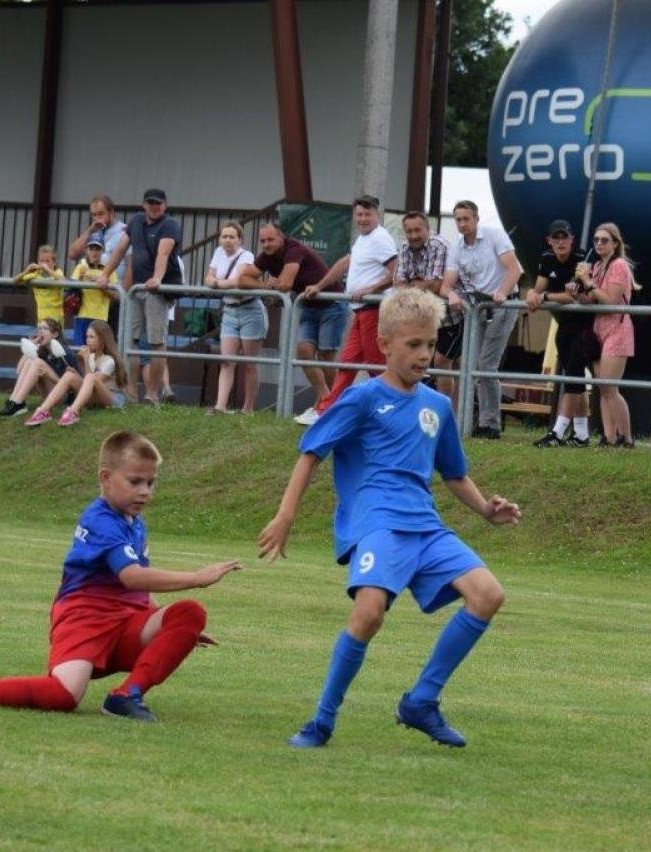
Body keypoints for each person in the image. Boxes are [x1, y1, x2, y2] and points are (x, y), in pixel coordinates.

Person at [258, 289, 521, 748]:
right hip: (378, 525)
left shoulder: (437, 406)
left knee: (487, 594)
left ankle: (421, 701)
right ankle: (321, 721)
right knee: (368, 614)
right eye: (413, 344)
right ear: (385, 344)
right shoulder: (362, 398)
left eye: (430, 344)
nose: (424, 354)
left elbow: (454, 474)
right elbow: (310, 452)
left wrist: (485, 509)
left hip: (426, 526)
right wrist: (285, 516)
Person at [0, 432, 238, 722]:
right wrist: (198, 576)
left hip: (126, 622)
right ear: (105, 477)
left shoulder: (134, 520)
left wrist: (178, 628)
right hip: (85, 617)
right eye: (135, 481)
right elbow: (132, 577)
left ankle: (125, 697)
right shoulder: (100, 520)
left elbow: (140, 589)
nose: (145, 492)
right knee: (62, 696)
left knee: (189, 613)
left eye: (150, 483)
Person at [297, 195, 398, 425]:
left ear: (377, 215)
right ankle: (327, 411)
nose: (362, 219)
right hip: (361, 310)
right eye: (359, 214)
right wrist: (320, 286)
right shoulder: (364, 239)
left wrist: (372, 288)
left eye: (367, 214)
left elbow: (397, 271)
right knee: (348, 363)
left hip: (374, 308)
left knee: (376, 365)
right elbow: (344, 263)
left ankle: (392, 409)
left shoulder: (380, 239)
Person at [442, 200, 523, 439]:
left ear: (477, 219)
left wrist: (502, 292)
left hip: (502, 304)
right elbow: (446, 285)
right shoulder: (456, 247)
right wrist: (452, 294)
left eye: (466, 219)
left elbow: (514, 269)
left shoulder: (494, 235)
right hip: (478, 307)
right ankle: (475, 422)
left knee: (486, 365)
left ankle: (490, 424)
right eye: (458, 219)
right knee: (473, 365)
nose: (462, 224)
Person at [240, 223, 340, 413]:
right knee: (303, 353)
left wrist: (277, 284)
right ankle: (326, 401)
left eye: (270, 240)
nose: (266, 244)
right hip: (308, 306)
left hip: (332, 304)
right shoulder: (266, 257)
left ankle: (332, 403)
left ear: (281, 238)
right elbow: (242, 279)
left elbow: (286, 284)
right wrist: (266, 286)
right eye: (262, 241)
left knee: (326, 356)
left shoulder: (294, 249)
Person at [101, 188, 183, 405]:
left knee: (156, 341)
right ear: (144, 204)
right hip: (137, 288)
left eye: (158, 203)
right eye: (150, 203)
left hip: (157, 289)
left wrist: (157, 279)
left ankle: (153, 394)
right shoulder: (136, 221)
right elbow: (120, 250)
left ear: (165, 205)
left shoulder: (170, 225)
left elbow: (163, 253)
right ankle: (130, 395)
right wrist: (104, 274)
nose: (154, 207)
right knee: (131, 340)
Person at [570, 222, 637, 447]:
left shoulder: (619, 266)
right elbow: (590, 300)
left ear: (615, 243)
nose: (599, 244)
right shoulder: (597, 266)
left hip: (617, 327)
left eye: (604, 240)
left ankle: (626, 438)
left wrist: (588, 283)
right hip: (599, 328)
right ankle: (609, 437)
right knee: (603, 388)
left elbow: (610, 301)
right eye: (596, 240)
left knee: (610, 387)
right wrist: (577, 293)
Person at [527, 219, 591, 448]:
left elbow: (572, 296)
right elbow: (537, 289)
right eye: (556, 237)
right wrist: (532, 295)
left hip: (585, 326)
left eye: (565, 237)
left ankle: (558, 431)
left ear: (572, 240)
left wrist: (544, 297)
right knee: (576, 380)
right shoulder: (546, 258)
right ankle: (582, 433)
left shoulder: (581, 259)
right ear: (549, 241)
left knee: (573, 377)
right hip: (563, 325)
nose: (561, 241)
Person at [392, 211, 453, 401]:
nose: (413, 235)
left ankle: (448, 413)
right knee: (419, 359)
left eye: (417, 230)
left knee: (445, 364)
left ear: (428, 228)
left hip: (450, 317)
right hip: (420, 318)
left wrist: (413, 285)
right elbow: (397, 284)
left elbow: (435, 285)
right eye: (408, 231)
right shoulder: (403, 247)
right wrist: (420, 285)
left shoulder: (439, 245)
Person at [26, 320, 129, 427]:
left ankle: (72, 412)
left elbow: (93, 381)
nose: (87, 340)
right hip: (96, 399)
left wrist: (85, 359)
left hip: (113, 399)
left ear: (102, 339)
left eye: (92, 337)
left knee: (90, 377)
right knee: (69, 375)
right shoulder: (92, 356)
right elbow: (87, 385)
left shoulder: (109, 361)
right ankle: (43, 411)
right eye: (87, 336)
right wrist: (76, 372)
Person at [205, 222, 262, 415]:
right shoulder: (218, 253)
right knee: (227, 360)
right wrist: (214, 281)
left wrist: (217, 284)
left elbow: (238, 281)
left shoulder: (246, 256)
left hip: (250, 310)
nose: (227, 240)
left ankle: (248, 408)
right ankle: (220, 406)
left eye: (231, 237)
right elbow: (209, 276)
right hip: (229, 310)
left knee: (249, 363)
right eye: (224, 236)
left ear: (240, 240)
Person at [65, 194, 129, 330]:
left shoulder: (124, 231)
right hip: (91, 302)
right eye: (93, 215)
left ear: (111, 212)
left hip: (113, 296)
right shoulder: (93, 232)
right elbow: (72, 253)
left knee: (111, 344)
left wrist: (124, 296)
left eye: (101, 214)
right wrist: (90, 230)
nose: (97, 218)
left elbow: (131, 266)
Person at [0, 318, 72, 416]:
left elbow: (71, 385)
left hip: (62, 396)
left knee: (37, 363)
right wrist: (31, 345)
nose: (41, 331)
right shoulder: (42, 350)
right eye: (39, 328)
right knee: (31, 359)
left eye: (45, 328)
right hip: (47, 395)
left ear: (55, 334)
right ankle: (14, 400)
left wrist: (49, 375)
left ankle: (18, 404)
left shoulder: (65, 352)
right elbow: (19, 371)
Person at [69, 237, 115, 348]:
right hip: (82, 315)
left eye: (97, 249)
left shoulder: (109, 270)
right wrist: (80, 281)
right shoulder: (80, 267)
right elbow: (71, 288)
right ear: (86, 250)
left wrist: (103, 286)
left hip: (100, 317)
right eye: (91, 248)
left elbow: (117, 295)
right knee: (80, 351)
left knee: (97, 351)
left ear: (102, 251)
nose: (94, 252)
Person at [14, 244, 66, 326]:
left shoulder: (57, 272)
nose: (44, 264)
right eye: (41, 261)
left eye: (47, 261)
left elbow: (63, 280)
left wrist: (48, 270)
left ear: (54, 262)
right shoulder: (35, 275)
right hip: (41, 319)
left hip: (56, 318)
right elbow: (15, 281)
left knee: (56, 338)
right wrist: (26, 271)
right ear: (38, 262)